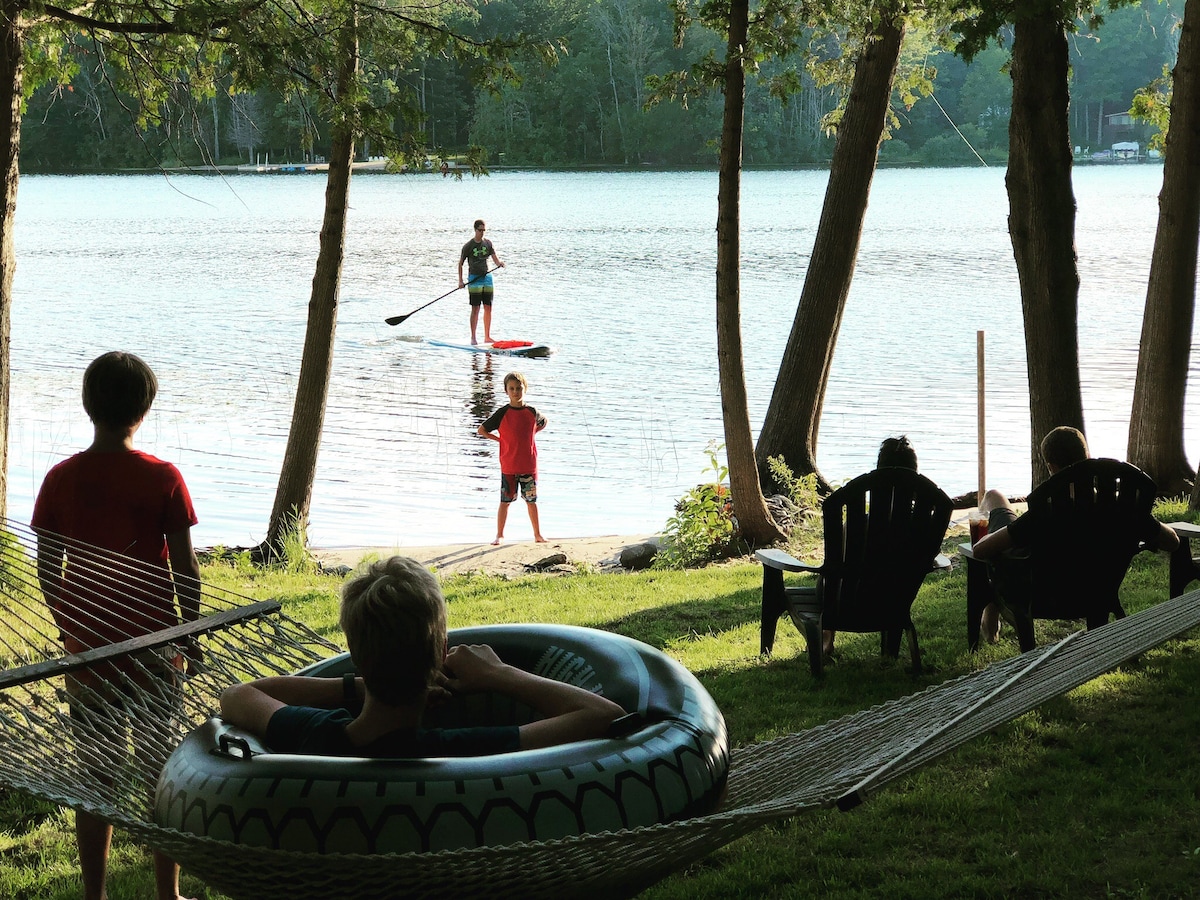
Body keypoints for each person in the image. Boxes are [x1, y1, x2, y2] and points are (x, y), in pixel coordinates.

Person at [31, 351, 201, 900]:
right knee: (159, 770)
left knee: (95, 777)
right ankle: (166, 893)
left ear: (87, 406)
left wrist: (70, 626)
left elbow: (46, 568)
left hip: (90, 655)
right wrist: (189, 637)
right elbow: (187, 571)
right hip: (155, 647)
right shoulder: (163, 478)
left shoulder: (60, 479)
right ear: (145, 409)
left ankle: (95, 893)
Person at [220, 556, 624, 756]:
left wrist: (360, 688)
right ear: (439, 655)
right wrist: (500, 675)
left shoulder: (315, 734)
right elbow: (606, 716)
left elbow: (237, 695)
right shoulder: (464, 751)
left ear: (357, 658)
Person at [972, 426, 1179, 642]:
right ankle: (990, 610)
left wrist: (985, 538)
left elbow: (980, 550)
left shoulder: (1046, 510)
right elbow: (1172, 542)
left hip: (1042, 598)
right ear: (1087, 457)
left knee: (993, 497)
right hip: (1098, 592)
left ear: (1051, 467)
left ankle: (990, 608)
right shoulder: (1123, 508)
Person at [823, 436, 921, 658]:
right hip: (896, 603)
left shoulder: (859, 527)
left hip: (847, 605)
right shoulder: (922, 527)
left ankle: (827, 638)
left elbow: (838, 565)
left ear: (879, 470)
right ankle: (890, 652)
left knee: (832, 571)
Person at [478, 371, 548, 545]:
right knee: (505, 501)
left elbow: (544, 422)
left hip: (529, 465)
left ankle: (537, 535)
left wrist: (532, 434)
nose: (516, 392)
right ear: (506, 391)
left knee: (531, 502)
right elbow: (482, 430)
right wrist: (500, 440)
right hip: (509, 465)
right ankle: (500, 535)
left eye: (519, 388)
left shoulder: (532, 412)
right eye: (512, 389)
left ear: (525, 388)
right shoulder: (503, 412)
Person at [458, 219, 505, 345]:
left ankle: (487, 337)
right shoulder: (468, 246)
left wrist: (499, 263)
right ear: (475, 230)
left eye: (484, 230)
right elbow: (460, 264)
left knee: (488, 307)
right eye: (480, 230)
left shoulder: (488, 243)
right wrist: (460, 281)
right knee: (476, 308)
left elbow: (495, 259)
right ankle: (473, 337)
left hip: (487, 277)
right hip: (474, 278)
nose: (482, 233)